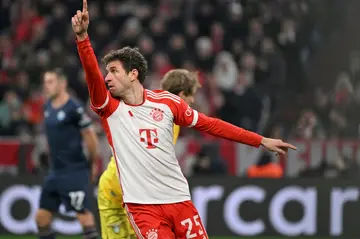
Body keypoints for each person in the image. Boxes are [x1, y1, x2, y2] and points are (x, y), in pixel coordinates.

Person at [72, 1, 297, 238]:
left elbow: (212, 125)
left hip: (179, 201)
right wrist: (83, 39)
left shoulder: (167, 103)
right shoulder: (110, 109)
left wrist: (260, 140)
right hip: (143, 208)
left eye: (114, 71)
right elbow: (92, 77)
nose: (107, 77)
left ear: (133, 74)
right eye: (106, 72)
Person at [97, 68, 201, 239]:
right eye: (191, 95)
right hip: (127, 193)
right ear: (182, 95)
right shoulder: (168, 118)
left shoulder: (147, 105)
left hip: (117, 187)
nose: (193, 100)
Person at [36, 68, 100, 239]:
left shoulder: (74, 108)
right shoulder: (47, 106)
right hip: (55, 172)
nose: (46, 86)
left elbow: (90, 136)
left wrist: (93, 163)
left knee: (83, 216)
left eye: (50, 82)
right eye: (44, 82)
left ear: (62, 84)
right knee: (41, 218)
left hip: (74, 171)